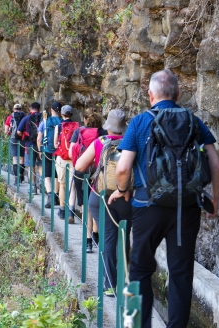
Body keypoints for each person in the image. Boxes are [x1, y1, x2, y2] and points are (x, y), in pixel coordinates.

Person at [108, 69, 219, 328]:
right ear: (178, 94)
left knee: (138, 271)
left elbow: (123, 168)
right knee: (181, 274)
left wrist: (122, 189)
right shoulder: (194, 121)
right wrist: (214, 199)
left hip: (147, 207)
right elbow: (216, 166)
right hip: (187, 209)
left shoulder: (139, 122)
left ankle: (136, 324)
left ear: (150, 95)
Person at [75, 109, 132, 296]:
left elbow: (79, 166)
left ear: (108, 127)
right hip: (125, 196)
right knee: (123, 238)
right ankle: (124, 280)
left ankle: (109, 285)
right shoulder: (131, 143)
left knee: (108, 238)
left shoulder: (99, 142)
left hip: (99, 196)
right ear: (124, 127)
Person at [70, 110, 105, 253]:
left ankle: (88, 242)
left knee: (86, 208)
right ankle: (96, 236)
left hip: (81, 172)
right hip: (97, 174)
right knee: (97, 206)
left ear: (86, 121)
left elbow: (72, 149)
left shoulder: (79, 132)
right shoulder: (103, 133)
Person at [53, 105, 77, 224]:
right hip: (74, 159)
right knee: (72, 187)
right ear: (72, 114)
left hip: (62, 158)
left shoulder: (59, 126)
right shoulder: (77, 127)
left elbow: (55, 144)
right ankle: (71, 212)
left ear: (62, 114)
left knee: (62, 185)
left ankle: (62, 210)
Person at [37, 101, 62, 208]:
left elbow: (39, 139)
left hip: (47, 150)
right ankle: (56, 195)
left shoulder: (45, 121)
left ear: (51, 110)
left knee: (47, 174)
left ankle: (50, 195)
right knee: (56, 174)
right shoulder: (62, 122)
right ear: (60, 111)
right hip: (59, 152)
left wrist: (39, 150)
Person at [17, 102, 42, 193]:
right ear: (39, 109)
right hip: (41, 146)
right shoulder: (43, 118)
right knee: (40, 165)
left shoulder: (26, 118)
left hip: (29, 145)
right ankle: (42, 184)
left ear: (30, 109)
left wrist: (24, 135)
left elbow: (19, 131)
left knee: (31, 167)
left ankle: (33, 188)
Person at [4, 103, 26, 184]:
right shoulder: (25, 117)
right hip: (23, 139)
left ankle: (16, 179)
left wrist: (11, 133)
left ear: (13, 109)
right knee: (21, 158)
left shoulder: (10, 117)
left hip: (13, 139)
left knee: (15, 159)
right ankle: (21, 176)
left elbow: (6, 131)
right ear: (21, 109)